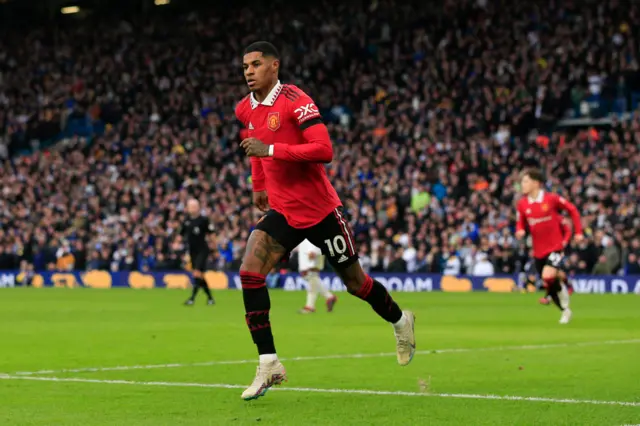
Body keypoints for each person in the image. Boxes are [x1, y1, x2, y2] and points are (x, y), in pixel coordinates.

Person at [235, 41, 416, 401]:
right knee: (250, 273)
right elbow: (253, 144)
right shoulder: (245, 109)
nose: (249, 72)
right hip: (284, 212)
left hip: (320, 212)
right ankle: (269, 361)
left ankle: (401, 321)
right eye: (245, 67)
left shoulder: (295, 100)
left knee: (356, 284)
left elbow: (324, 150)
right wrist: (258, 184)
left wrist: (270, 150)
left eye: (256, 64)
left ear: (274, 65)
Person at [515, 169, 583, 324]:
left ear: (536, 183)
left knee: (547, 275)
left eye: (525, 181)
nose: (522, 185)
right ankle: (565, 309)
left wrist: (578, 232)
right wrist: (519, 230)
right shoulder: (522, 204)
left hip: (555, 247)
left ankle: (562, 290)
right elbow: (520, 221)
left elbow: (572, 209)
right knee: (551, 280)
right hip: (538, 251)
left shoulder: (551, 199)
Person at [181, 199, 215, 306]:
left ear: (198, 207)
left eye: (194, 206)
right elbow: (181, 234)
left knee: (196, 273)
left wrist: (215, 248)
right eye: (190, 206)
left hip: (202, 250)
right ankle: (210, 298)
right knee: (199, 275)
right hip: (192, 251)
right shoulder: (186, 221)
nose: (192, 208)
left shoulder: (203, 220)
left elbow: (211, 234)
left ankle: (192, 298)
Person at [296, 239, 337, 314]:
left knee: (311, 276)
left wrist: (312, 250)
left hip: (312, 249)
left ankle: (310, 306)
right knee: (312, 278)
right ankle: (329, 297)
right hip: (312, 249)